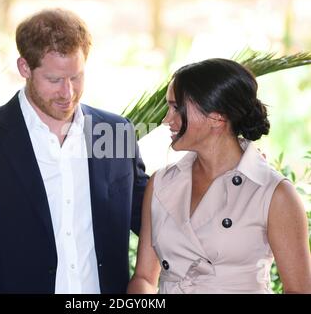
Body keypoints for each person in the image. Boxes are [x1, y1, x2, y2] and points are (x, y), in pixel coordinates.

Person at [0, 8, 148, 293]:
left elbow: (153, 221)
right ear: (24, 68)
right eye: (55, 80)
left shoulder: (116, 132)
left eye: (76, 77)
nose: (67, 92)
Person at [128, 58, 311, 294]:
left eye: (176, 108)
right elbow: (143, 277)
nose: (166, 120)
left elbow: (299, 290)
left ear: (216, 118)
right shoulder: (161, 183)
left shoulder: (274, 192)